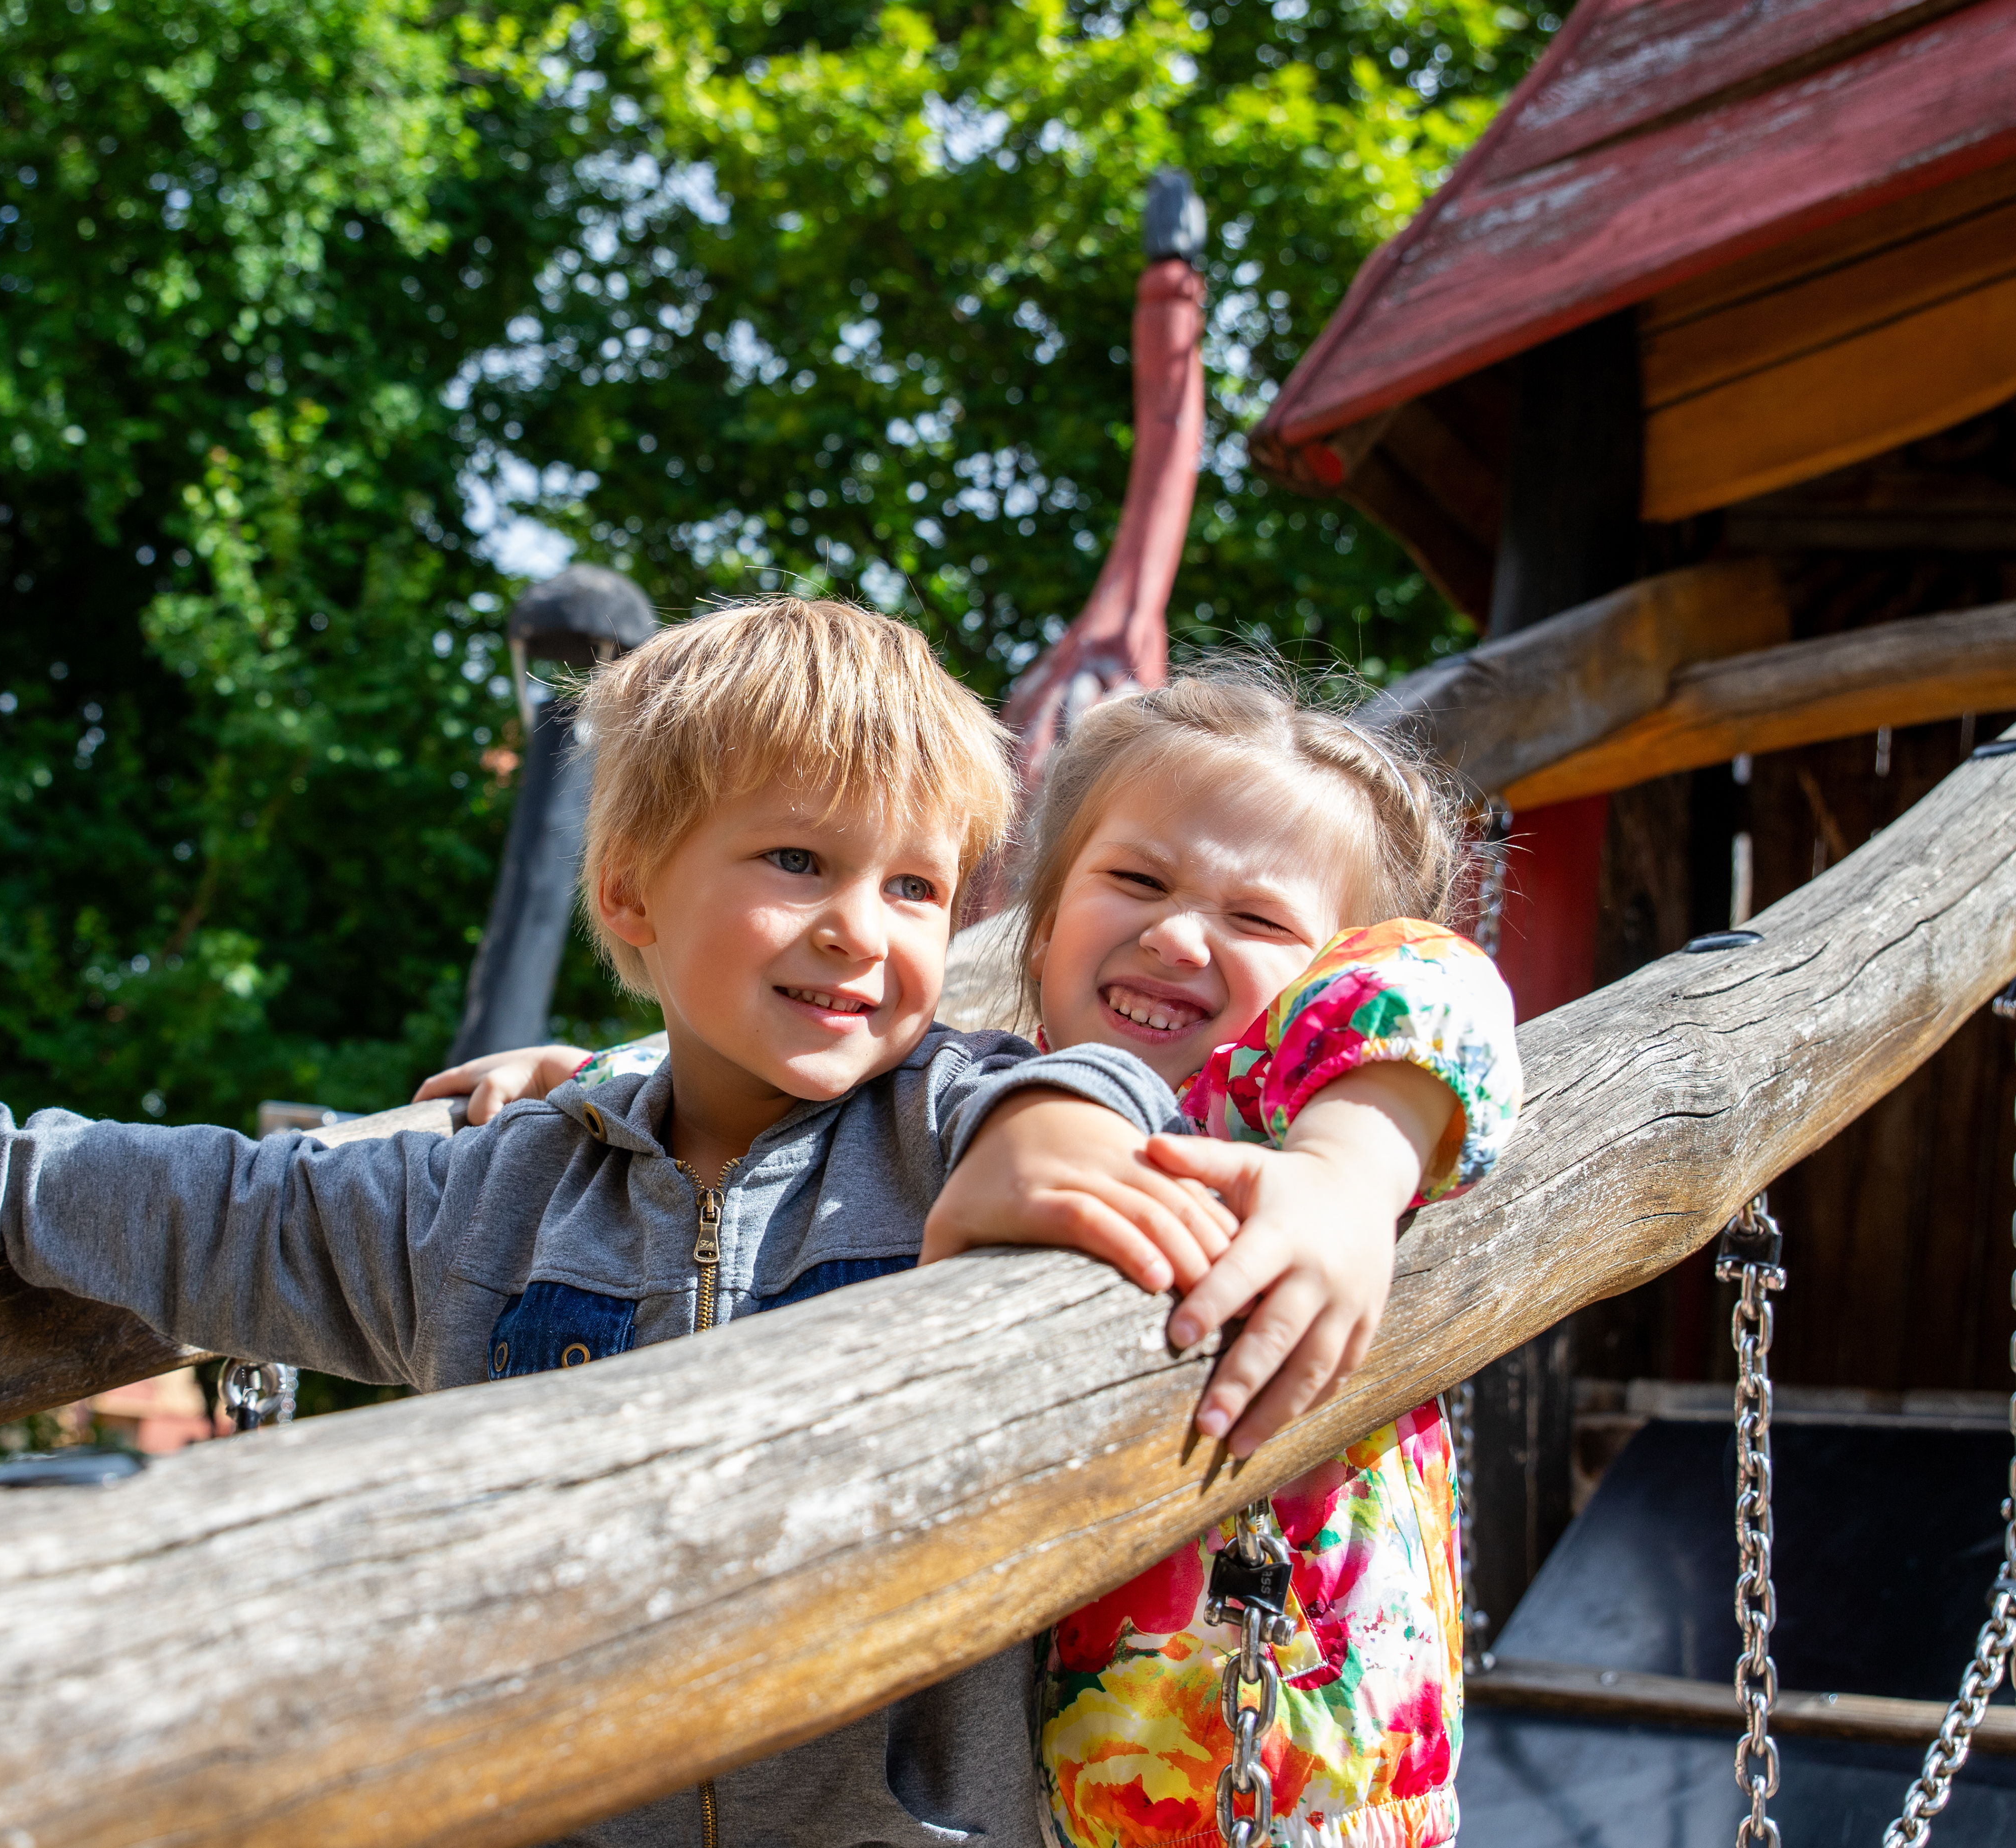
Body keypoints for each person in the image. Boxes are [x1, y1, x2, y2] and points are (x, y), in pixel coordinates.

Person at [0, 603, 1481, 1847]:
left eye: (916, 886)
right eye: (795, 861)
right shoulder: (495, 1192)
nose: (860, 927)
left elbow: (1080, 1103)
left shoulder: (963, 1113)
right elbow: (209, 1199)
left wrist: (1035, 1126)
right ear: (628, 893)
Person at [433, 666, 1519, 1848]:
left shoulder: (1282, 1121)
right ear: (1042, 928)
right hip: (1033, 1785)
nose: (1174, 932)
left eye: (1256, 921)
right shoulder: (995, 1106)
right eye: (1135, 881)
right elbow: (787, 1082)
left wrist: (1345, 1180)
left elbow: (1433, 985)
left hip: (1294, 1782)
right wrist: (594, 1076)